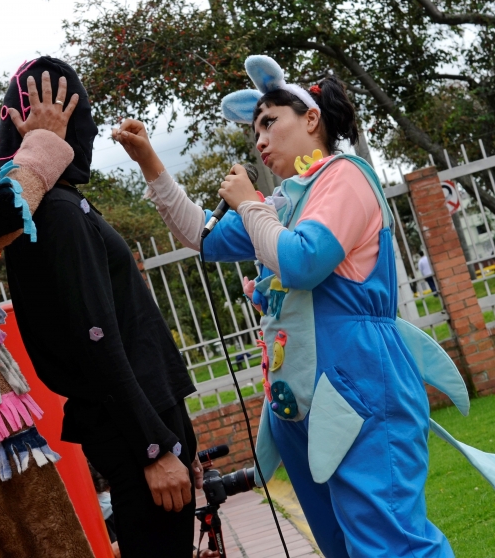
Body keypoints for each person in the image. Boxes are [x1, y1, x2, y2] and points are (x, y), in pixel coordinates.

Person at [113, 55, 460, 557]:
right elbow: (201, 236)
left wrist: (250, 203)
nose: (259, 140)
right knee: (340, 543)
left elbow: (301, 261)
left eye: (270, 122)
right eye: (255, 130)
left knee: (389, 543)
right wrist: (150, 160)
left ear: (312, 119)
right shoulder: (284, 204)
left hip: (358, 385)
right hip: (299, 401)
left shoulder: (345, 176)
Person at [0, 56, 203, 558]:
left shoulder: (63, 203)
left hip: (150, 425)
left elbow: (132, 328)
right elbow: (96, 340)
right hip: (135, 437)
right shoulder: (54, 213)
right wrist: (154, 449)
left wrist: (181, 439)